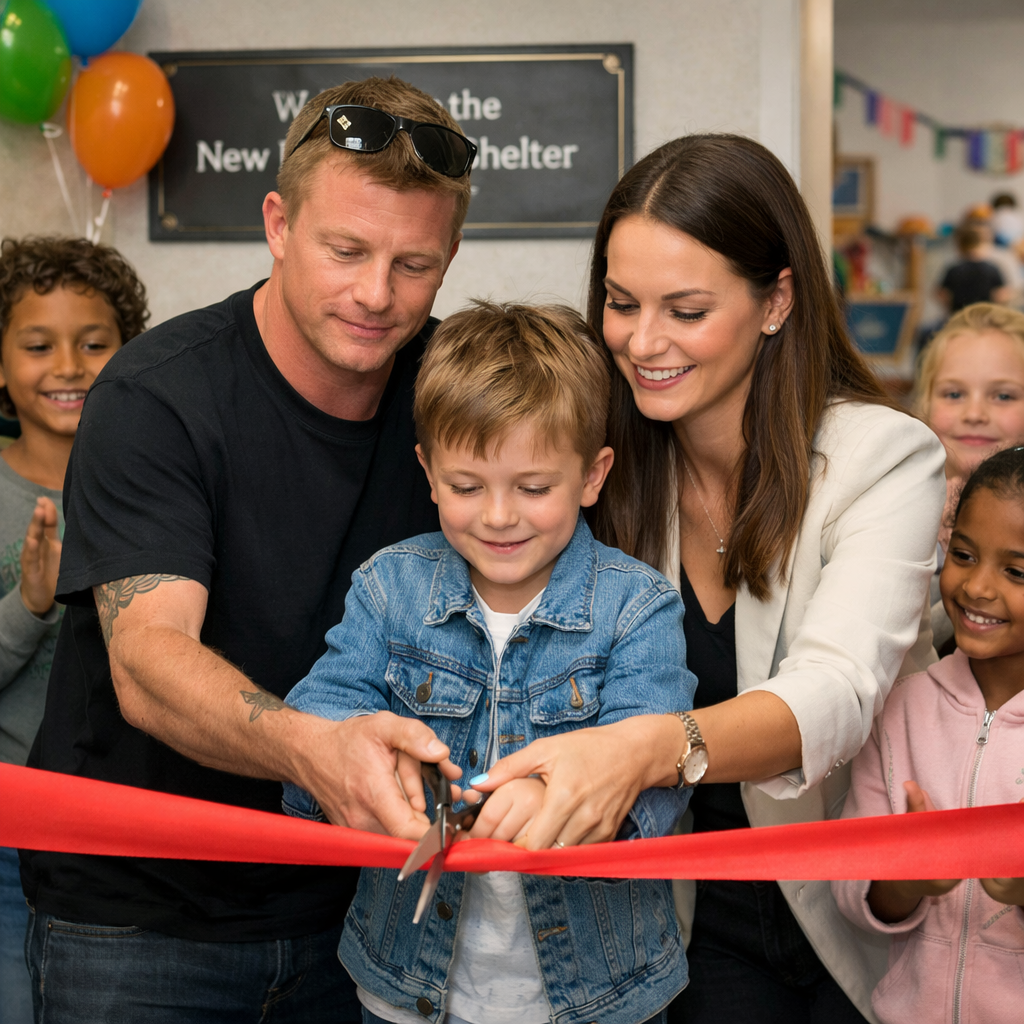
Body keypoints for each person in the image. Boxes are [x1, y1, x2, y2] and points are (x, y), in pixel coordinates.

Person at [20, 76, 478, 1023]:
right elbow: (147, 663)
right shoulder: (156, 396)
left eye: (414, 264)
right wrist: (318, 751)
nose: (376, 294)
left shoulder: (457, 394)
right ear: (277, 224)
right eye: (345, 251)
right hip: (139, 918)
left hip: (358, 911)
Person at [468, 134, 947, 1023]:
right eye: (620, 304)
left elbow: (835, 692)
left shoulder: (883, 458)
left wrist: (648, 748)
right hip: (684, 920)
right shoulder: (603, 469)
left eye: (685, 311)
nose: (642, 342)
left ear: (777, 302)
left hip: (858, 909)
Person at [283, 301, 697, 1024]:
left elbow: (656, 785)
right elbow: (316, 725)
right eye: (467, 486)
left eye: (533, 488)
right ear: (428, 472)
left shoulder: (639, 607)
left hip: (602, 998)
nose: (499, 516)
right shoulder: (388, 587)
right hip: (405, 988)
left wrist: (567, 804)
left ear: (592, 475)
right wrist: (365, 761)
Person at [0, 235, 146, 1024]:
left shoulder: (153, 482)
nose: (68, 366)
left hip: (114, 838)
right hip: (9, 833)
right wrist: (28, 605)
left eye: (94, 344)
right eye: (37, 345)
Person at [832, 445, 1024, 1024]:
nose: (978, 587)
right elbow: (852, 885)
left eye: (1016, 571)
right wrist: (906, 878)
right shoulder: (901, 706)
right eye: (963, 555)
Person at [913, 302, 1024, 649]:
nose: (974, 413)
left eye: (1003, 395)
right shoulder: (899, 504)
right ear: (925, 404)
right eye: (954, 394)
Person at [938, 223, 1013, 314]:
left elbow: (941, 293)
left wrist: (950, 308)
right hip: (985, 315)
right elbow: (1002, 294)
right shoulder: (992, 269)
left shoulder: (954, 269)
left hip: (960, 315)